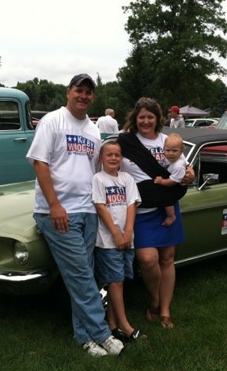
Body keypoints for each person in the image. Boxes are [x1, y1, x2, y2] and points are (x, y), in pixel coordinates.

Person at [26, 73, 124, 357]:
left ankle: (84, 337)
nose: (84, 96)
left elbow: (95, 169)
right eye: (79, 90)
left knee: (82, 275)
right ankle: (103, 333)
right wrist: (55, 205)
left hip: (87, 210)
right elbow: (40, 163)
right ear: (68, 92)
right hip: (57, 212)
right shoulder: (52, 121)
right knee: (80, 273)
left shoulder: (93, 130)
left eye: (89, 93)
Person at [117, 97, 194, 330]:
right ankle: (154, 298)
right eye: (142, 117)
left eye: (150, 116)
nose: (146, 121)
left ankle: (164, 309)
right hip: (140, 209)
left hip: (166, 206)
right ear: (135, 118)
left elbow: (184, 167)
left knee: (167, 259)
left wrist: (190, 173)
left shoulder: (167, 141)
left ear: (157, 118)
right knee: (148, 260)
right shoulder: (127, 141)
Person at [92, 140, 146, 342]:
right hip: (109, 241)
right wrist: (116, 234)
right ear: (101, 158)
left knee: (120, 280)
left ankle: (112, 324)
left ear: (121, 158)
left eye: (117, 155)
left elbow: (132, 205)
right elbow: (100, 207)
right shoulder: (98, 179)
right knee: (115, 281)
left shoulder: (127, 178)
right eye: (109, 155)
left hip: (127, 239)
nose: (114, 158)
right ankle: (125, 326)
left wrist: (128, 232)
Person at [153, 133, 186, 227]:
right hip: (168, 181)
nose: (170, 153)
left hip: (174, 187)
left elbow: (173, 181)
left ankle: (171, 216)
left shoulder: (179, 166)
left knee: (167, 199)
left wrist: (161, 181)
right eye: (167, 150)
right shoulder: (169, 158)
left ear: (181, 152)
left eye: (174, 151)